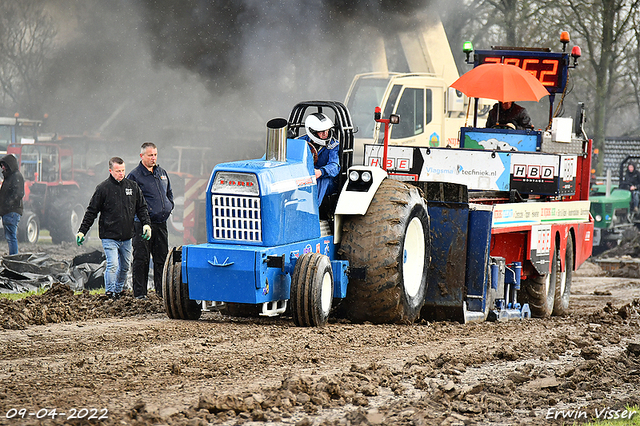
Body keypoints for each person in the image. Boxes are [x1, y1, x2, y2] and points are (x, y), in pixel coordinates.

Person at [76, 157, 151, 300]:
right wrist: (82, 231)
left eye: (123, 170)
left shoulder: (132, 187)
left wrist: (146, 224)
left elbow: (141, 208)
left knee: (125, 266)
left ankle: (118, 291)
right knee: (112, 265)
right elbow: (92, 211)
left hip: (127, 237)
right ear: (110, 171)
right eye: (118, 171)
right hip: (109, 236)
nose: (121, 173)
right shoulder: (103, 189)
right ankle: (110, 292)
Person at [127, 142, 174, 300]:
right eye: (150, 155)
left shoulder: (161, 173)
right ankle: (140, 294)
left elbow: (169, 193)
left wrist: (169, 206)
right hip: (142, 225)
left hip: (161, 223)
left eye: (155, 154)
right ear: (142, 156)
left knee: (161, 258)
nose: (153, 158)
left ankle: (162, 293)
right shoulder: (134, 176)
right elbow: (130, 202)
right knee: (142, 258)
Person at [297, 113, 340, 207]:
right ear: (312, 132)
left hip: (326, 179)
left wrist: (321, 172)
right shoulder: (300, 141)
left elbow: (335, 166)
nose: (325, 134)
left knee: (320, 181)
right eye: (321, 131)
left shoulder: (333, 145)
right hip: (304, 176)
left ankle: (313, 210)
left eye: (327, 130)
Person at [0, 154, 24, 255]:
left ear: (9, 165)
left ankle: (14, 258)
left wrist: (7, 205)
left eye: (4, 165)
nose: (2, 167)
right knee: (10, 237)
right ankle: (13, 257)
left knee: (11, 237)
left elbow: (18, 194)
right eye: (2, 165)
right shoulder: (10, 177)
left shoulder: (15, 176)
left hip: (11, 212)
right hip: (8, 211)